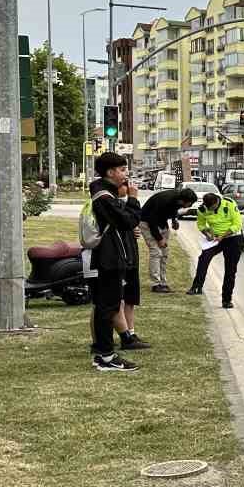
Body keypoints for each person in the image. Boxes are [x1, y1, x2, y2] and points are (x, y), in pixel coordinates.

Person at [87, 151, 145, 372]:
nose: (125, 173)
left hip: (110, 256)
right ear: (110, 172)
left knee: (107, 306)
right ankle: (106, 356)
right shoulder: (103, 196)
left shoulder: (105, 192)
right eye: (122, 169)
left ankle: (105, 353)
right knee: (108, 307)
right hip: (109, 258)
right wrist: (132, 199)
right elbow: (127, 220)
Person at [188, 192, 244, 308]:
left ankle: (226, 300)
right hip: (215, 238)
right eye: (208, 208)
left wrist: (222, 236)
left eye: (212, 208)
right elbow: (201, 224)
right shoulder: (203, 209)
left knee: (230, 269)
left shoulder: (229, 204)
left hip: (232, 237)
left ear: (217, 202)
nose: (210, 210)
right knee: (203, 258)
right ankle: (197, 287)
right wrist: (206, 233)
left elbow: (237, 224)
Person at [138, 186, 197, 293]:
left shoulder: (178, 199)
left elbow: (174, 209)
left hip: (161, 222)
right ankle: (156, 284)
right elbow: (151, 221)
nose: (190, 206)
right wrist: (159, 239)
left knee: (164, 253)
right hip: (147, 222)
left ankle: (163, 282)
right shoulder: (164, 200)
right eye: (190, 204)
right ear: (183, 200)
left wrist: (174, 220)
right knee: (156, 252)